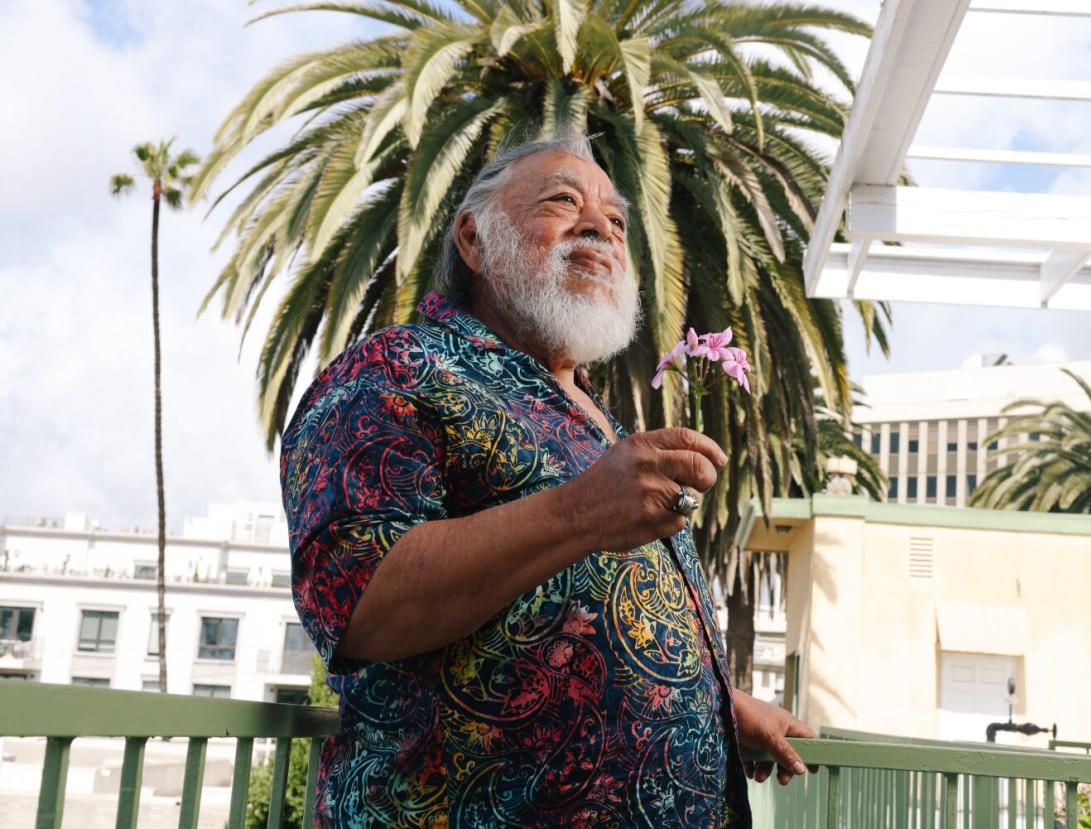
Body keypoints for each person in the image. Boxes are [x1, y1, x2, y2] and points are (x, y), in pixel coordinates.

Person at [281, 133, 814, 828]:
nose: (601, 226)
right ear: (473, 239)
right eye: (563, 201)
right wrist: (579, 511)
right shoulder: (394, 369)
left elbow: (588, 618)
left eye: (619, 221)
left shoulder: (603, 420)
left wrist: (720, 701)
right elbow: (356, 602)